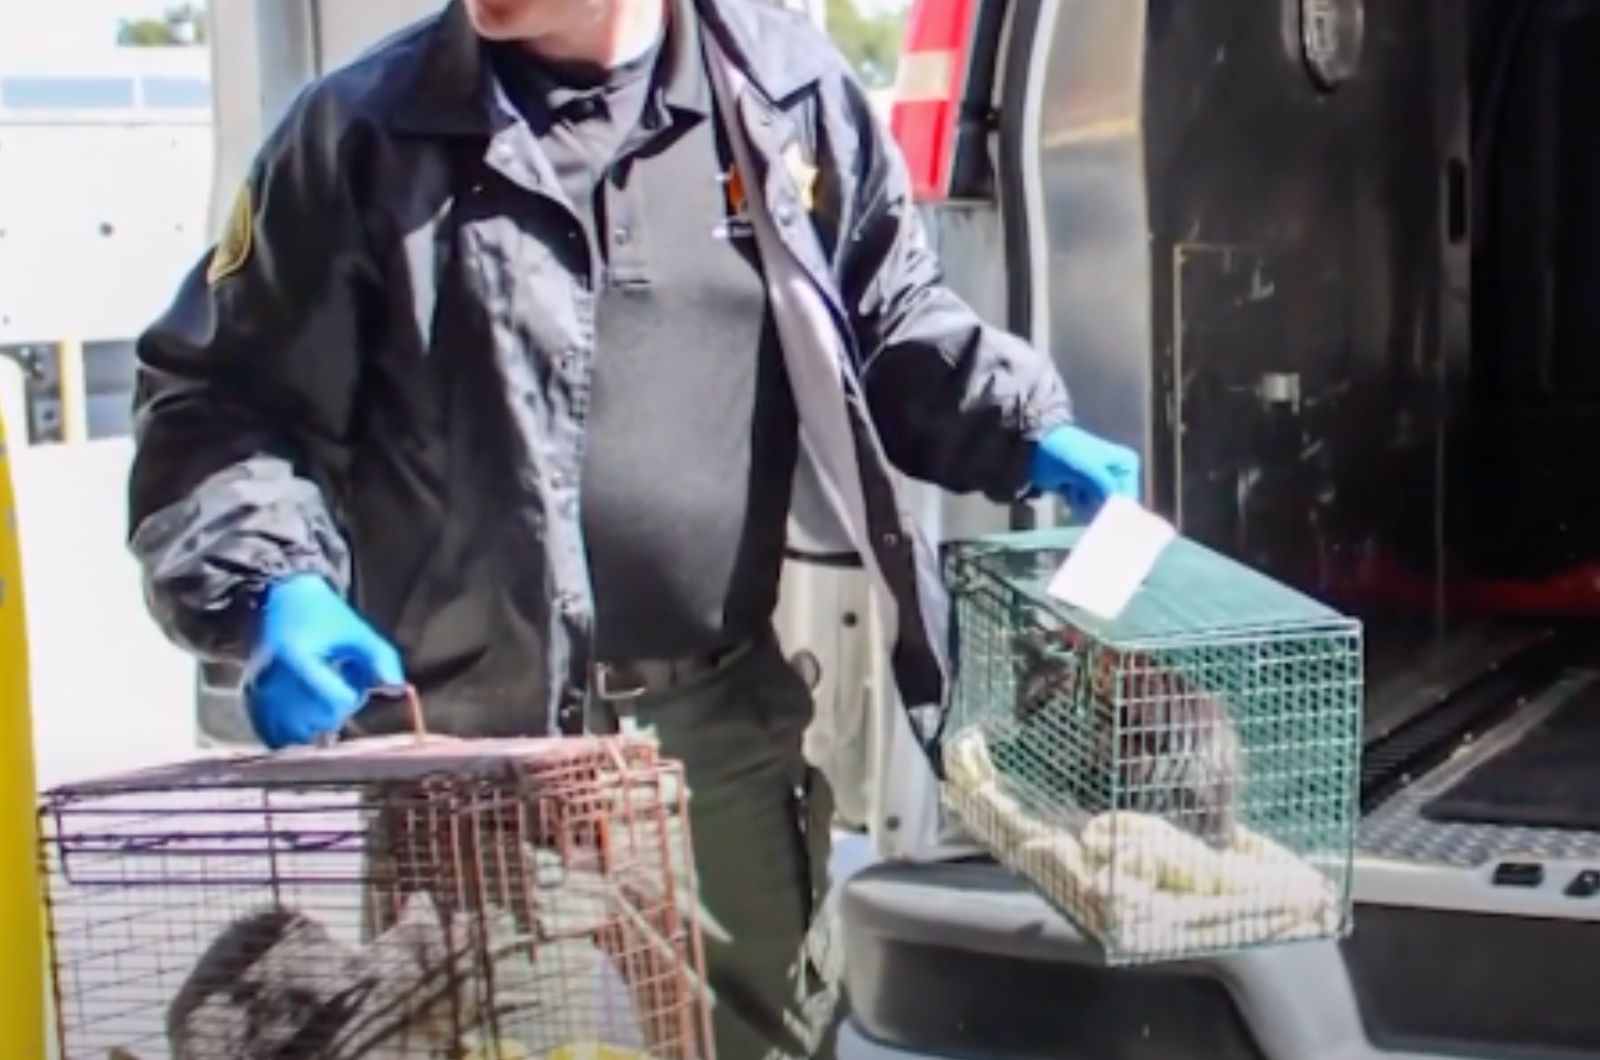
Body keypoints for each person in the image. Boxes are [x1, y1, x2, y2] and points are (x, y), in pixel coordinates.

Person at [124, 0, 1140, 1055]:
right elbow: (221, 400)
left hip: (720, 736)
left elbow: (886, 317)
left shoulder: (784, 95)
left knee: (772, 1036)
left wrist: (1022, 425)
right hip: (474, 756)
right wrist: (271, 582)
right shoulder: (363, 135)